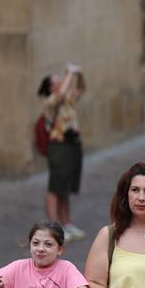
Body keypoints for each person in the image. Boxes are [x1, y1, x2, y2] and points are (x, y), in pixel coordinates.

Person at [38, 65, 87, 242]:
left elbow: (81, 88)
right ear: (51, 87)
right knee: (55, 187)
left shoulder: (68, 100)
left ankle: (67, 224)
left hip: (72, 145)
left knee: (65, 187)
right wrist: (70, 73)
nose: (61, 82)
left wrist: (78, 74)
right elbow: (59, 96)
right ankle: (53, 226)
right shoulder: (50, 103)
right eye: (57, 81)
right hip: (58, 147)